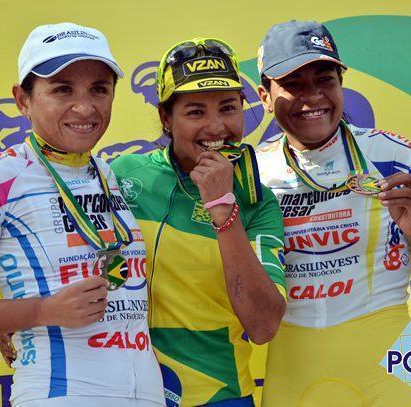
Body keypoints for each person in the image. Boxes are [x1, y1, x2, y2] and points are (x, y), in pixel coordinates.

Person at [0, 22, 164, 407]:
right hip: (60, 394)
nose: (85, 107)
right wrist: (41, 311)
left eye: (99, 88)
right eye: (62, 89)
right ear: (22, 99)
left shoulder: (107, 173)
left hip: (145, 394)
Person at [254, 20, 411, 406]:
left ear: (341, 85)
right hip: (291, 361)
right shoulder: (253, 172)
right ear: (265, 96)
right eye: (293, 84)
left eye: (325, 80)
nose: (313, 96)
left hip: (387, 347)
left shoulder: (393, 155)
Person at [110, 37, 287, 406]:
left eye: (228, 108)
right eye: (195, 112)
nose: (216, 127)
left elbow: (263, 325)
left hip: (219, 395)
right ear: (166, 119)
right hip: (123, 390)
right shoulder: (124, 175)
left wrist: (224, 207)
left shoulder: (257, 202)